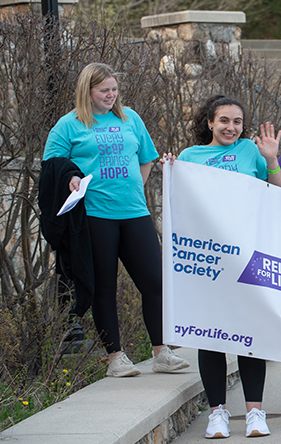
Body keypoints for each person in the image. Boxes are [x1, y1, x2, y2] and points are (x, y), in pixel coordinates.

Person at [43, 63, 190, 378]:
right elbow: (52, 165)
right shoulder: (69, 125)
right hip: (95, 216)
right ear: (88, 91)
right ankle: (116, 357)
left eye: (113, 89)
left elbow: (146, 157)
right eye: (104, 90)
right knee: (104, 287)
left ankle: (161, 351)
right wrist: (70, 177)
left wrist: (132, 187)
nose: (111, 95)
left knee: (155, 282)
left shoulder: (130, 118)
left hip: (135, 212)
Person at [163, 95, 281, 439]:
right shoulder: (189, 157)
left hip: (246, 252)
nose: (231, 127)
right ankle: (217, 414)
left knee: (250, 335)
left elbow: (278, 193)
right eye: (224, 121)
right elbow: (181, 205)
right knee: (210, 334)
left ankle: (255, 412)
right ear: (209, 123)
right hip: (209, 258)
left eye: (237, 122)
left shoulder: (250, 150)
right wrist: (172, 171)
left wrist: (271, 160)